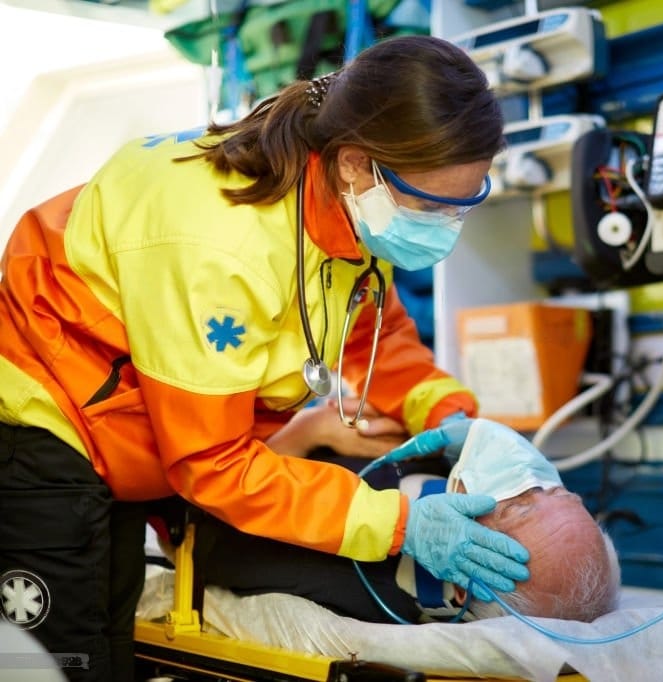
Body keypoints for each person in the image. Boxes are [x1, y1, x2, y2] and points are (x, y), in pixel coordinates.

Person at [0, 35, 530, 682]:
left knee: (108, 644)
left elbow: (373, 333)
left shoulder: (354, 213)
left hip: (128, 434)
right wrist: (398, 524)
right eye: (432, 206)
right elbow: (213, 464)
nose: (445, 228)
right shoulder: (219, 246)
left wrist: (450, 415)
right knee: (62, 663)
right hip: (43, 415)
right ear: (357, 165)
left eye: (464, 205)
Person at [184, 406, 620, 624]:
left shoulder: (343, 585)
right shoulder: (448, 470)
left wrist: (305, 431)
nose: (531, 475)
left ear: (461, 587)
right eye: (564, 492)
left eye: (519, 503)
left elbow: (208, 505)